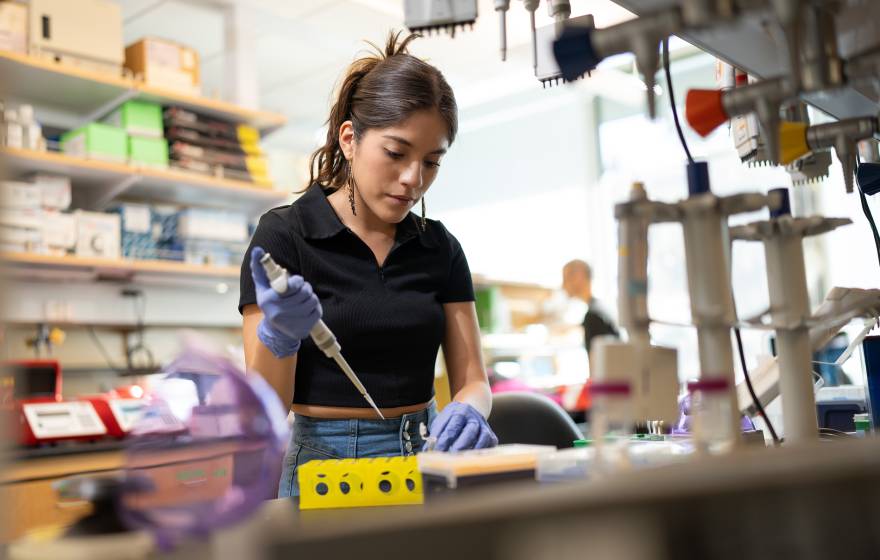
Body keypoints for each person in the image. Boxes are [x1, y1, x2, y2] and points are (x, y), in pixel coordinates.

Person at [239, 31, 497, 498]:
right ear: (350, 139)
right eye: (396, 153)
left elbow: (473, 381)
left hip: (428, 453)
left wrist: (473, 410)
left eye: (432, 162)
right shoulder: (286, 236)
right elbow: (266, 414)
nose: (413, 180)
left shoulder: (440, 247)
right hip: (327, 467)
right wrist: (278, 337)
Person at [562, 259, 619, 355]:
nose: (563, 285)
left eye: (565, 278)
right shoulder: (598, 309)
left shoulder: (593, 316)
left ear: (578, 277)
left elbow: (598, 363)